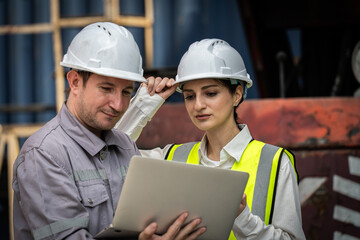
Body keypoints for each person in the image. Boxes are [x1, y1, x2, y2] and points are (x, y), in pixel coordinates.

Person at [12, 22, 206, 240]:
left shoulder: (125, 145)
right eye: (106, 88)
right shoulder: (44, 155)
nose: (118, 104)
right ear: (75, 82)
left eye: (126, 92)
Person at [116, 39, 306, 240]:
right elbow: (110, 154)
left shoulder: (275, 163)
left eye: (210, 93)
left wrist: (243, 220)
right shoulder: (170, 157)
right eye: (189, 96)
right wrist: (143, 106)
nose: (198, 105)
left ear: (237, 95)